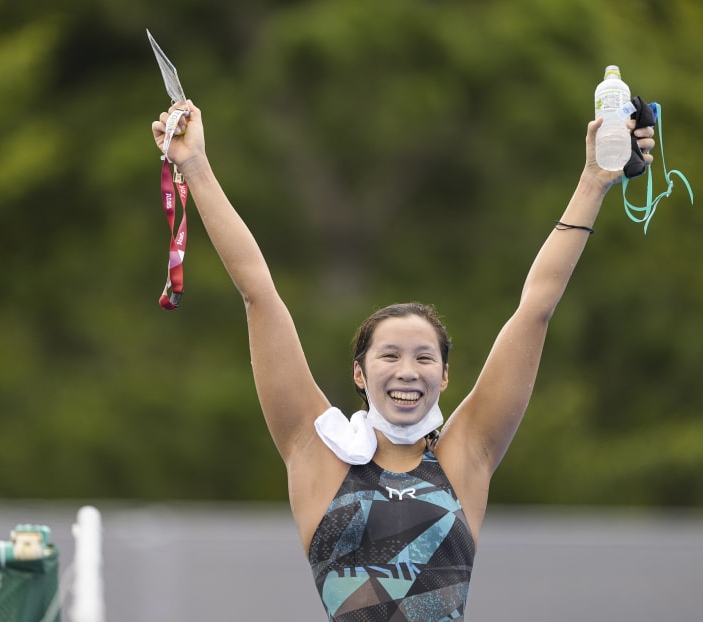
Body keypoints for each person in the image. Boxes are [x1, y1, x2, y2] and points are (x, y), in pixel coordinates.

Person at [152, 101, 655, 621]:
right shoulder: (316, 452)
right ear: (359, 372)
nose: (407, 370)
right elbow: (258, 290)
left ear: (444, 375)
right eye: (389, 354)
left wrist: (595, 180)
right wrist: (195, 165)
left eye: (423, 356)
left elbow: (536, 309)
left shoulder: (466, 456)